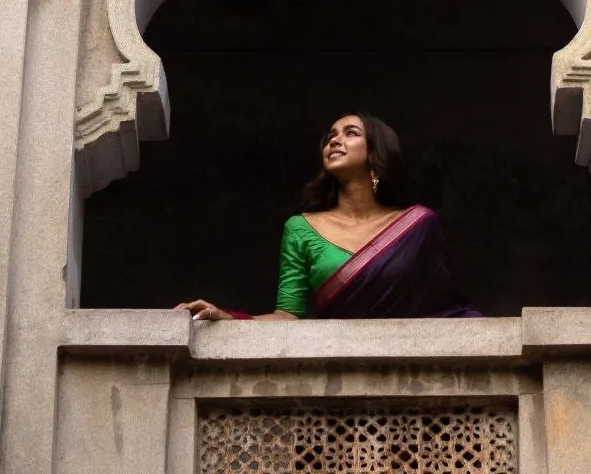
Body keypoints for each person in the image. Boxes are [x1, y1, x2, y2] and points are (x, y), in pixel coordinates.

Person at [178, 112, 474, 320]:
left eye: (351, 133)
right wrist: (228, 317)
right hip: (334, 371)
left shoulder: (418, 225)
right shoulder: (301, 227)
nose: (334, 141)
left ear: (376, 152)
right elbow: (287, 316)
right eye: (330, 136)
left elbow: (446, 310)